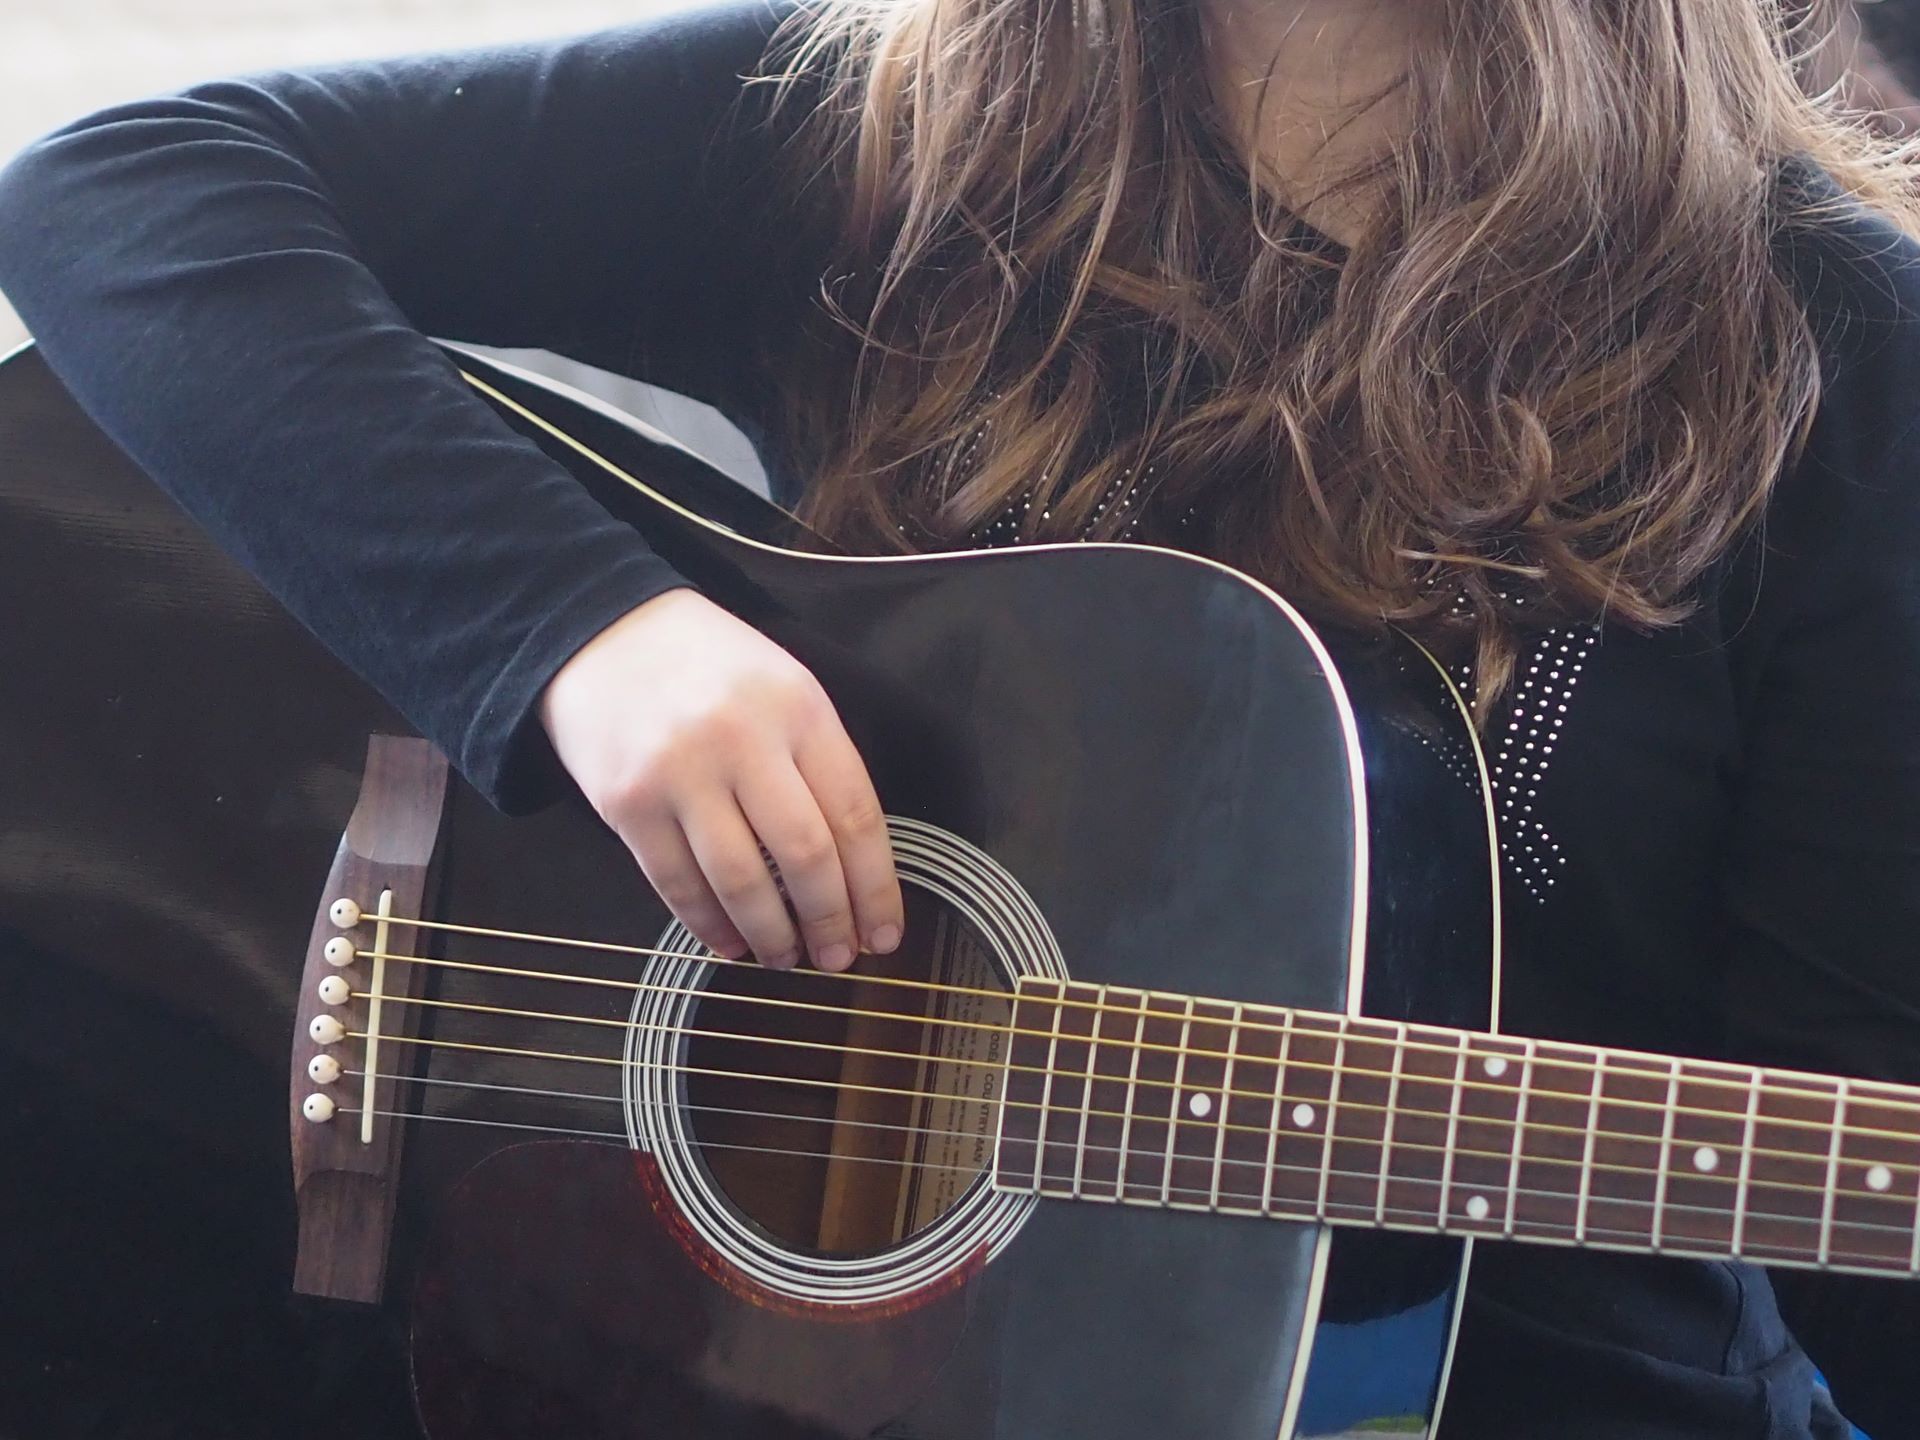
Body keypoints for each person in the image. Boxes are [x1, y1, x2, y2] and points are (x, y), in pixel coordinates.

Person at [0, 0, 1916, 1434]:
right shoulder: (881, 130)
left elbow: (1857, 1145)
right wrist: (585, 638)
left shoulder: (1840, 351)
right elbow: (116, 194)